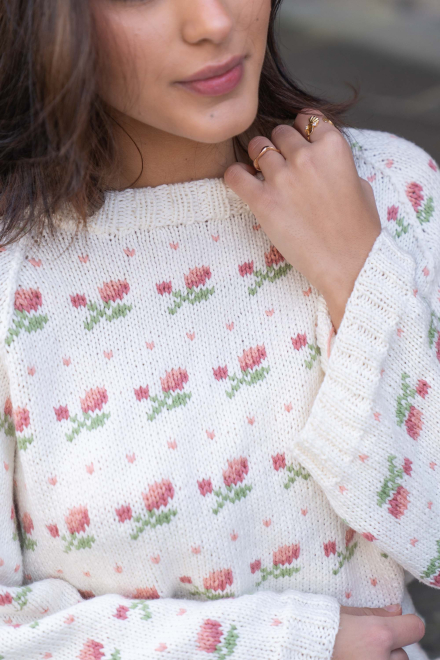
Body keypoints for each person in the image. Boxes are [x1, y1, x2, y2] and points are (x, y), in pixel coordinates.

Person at [0, 0, 438, 658]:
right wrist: (289, 644)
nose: (211, 21)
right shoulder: (14, 273)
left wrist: (357, 275)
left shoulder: (392, 191)